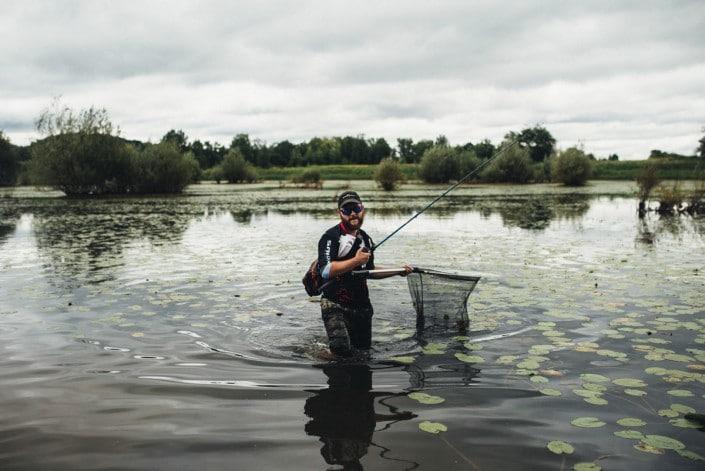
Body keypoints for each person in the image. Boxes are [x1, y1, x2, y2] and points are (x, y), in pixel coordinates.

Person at [317, 190, 412, 358]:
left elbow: (370, 270)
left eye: (356, 208)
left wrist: (398, 270)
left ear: (363, 209)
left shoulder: (366, 239)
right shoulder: (330, 237)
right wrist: (355, 260)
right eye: (347, 210)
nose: (353, 213)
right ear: (340, 213)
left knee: (363, 354)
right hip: (334, 304)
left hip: (361, 306)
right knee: (341, 353)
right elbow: (325, 271)